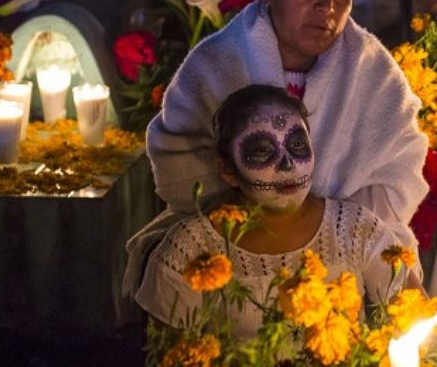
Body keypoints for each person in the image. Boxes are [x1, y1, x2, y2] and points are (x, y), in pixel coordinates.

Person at [123, 0, 429, 304]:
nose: (327, 6)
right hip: (235, 238)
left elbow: (398, 174)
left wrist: (327, 227)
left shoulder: (374, 72)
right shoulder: (218, 60)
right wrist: (264, 223)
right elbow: (179, 161)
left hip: (344, 246)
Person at [135, 85, 410, 336]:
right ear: (228, 170)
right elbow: (166, 354)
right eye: (263, 151)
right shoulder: (190, 250)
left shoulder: (356, 229)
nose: (288, 165)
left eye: (297, 145)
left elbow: (417, 318)